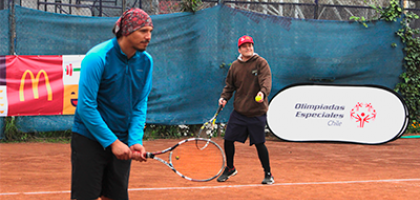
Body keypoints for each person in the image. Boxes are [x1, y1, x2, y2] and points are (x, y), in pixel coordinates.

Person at [71, 8, 154, 200]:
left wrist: (134, 140)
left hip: (122, 137)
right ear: (126, 31)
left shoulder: (146, 62)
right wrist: (112, 142)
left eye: (150, 31)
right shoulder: (97, 58)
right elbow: (86, 106)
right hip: (89, 139)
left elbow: (139, 104)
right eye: (143, 31)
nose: (148, 36)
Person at [217, 35, 274, 185]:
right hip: (240, 112)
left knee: (259, 143)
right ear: (239, 49)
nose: (248, 48)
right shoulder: (235, 66)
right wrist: (224, 97)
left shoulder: (261, 63)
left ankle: (268, 174)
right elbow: (229, 86)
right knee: (228, 139)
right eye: (245, 46)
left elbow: (266, 80)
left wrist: (262, 92)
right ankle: (230, 168)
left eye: (250, 45)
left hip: (257, 112)